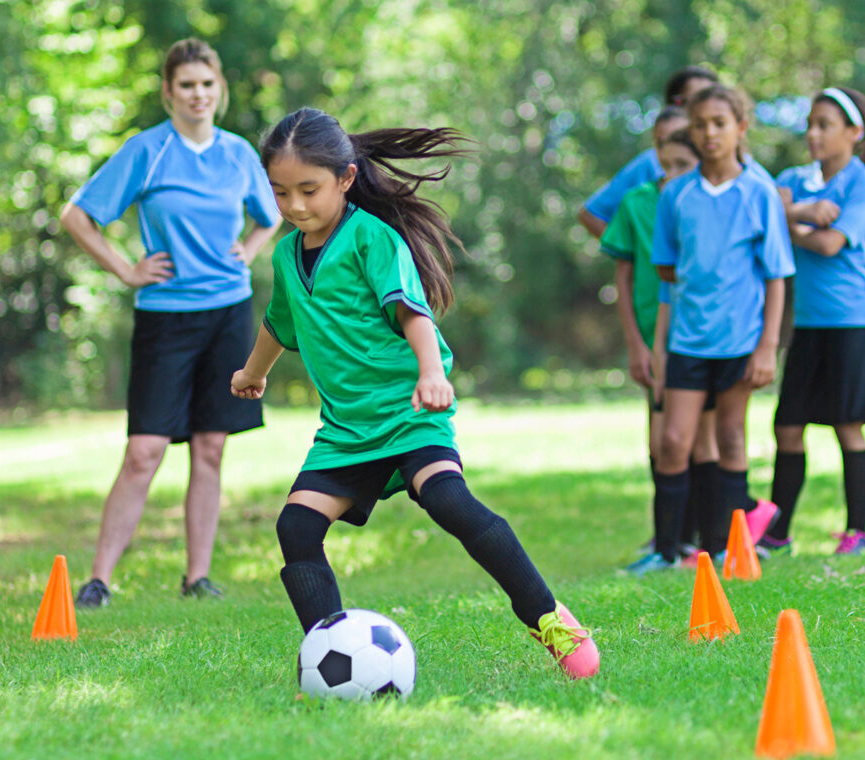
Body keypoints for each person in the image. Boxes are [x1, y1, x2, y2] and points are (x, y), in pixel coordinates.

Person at [230, 107, 599, 679]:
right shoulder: (284, 253)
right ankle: (326, 657)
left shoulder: (372, 238)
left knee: (449, 501)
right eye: (281, 193)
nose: (296, 206)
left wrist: (432, 373)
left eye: (309, 189)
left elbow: (411, 309)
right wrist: (255, 372)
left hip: (408, 412)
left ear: (346, 179)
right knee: (296, 528)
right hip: (348, 430)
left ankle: (548, 616)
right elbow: (281, 323)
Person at [59, 39, 281, 607]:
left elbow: (273, 212)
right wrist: (125, 271)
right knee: (145, 451)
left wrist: (251, 249)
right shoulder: (147, 151)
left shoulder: (237, 154)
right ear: (168, 92)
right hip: (165, 317)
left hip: (228, 315)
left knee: (210, 447)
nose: (198, 95)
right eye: (186, 85)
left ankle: (197, 578)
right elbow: (77, 216)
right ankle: (99, 580)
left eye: (207, 84)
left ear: (220, 88)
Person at [626, 84, 795, 575]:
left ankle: (727, 547)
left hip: (742, 344)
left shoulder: (758, 192)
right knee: (674, 441)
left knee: (731, 438)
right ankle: (667, 549)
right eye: (700, 125)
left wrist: (767, 346)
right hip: (687, 342)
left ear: (740, 128)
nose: (709, 133)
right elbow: (666, 268)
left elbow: (777, 275)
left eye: (719, 123)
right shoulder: (676, 195)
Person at [759, 88, 865, 557]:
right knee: (788, 427)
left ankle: (859, 532)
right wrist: (803, 212)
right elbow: (757, 208)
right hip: (810, 324)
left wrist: (790, 224)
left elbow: (832, 243)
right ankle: (777, 533)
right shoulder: (794, 178)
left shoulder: (864, 184)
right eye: (810, 124)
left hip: (855, 322)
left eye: (825, 125)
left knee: (847, 425)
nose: (813, 133)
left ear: (854, 133)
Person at [600, 123, 710, 559]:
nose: (670, 177)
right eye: (664, 167)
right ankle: (669, 540)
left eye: (681, 167)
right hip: (655, 337)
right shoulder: (639, 201)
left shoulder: (704, 204)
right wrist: (637, 343)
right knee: (662, 440)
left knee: (698, 441)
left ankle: (699, 539)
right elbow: (623, 277)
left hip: (703, 338)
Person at [578, 66, 717, 239]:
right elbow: (591, 214)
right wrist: (633, 254)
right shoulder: (649, 162)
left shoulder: (730, 165)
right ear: (675, 105)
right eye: (693, 101)